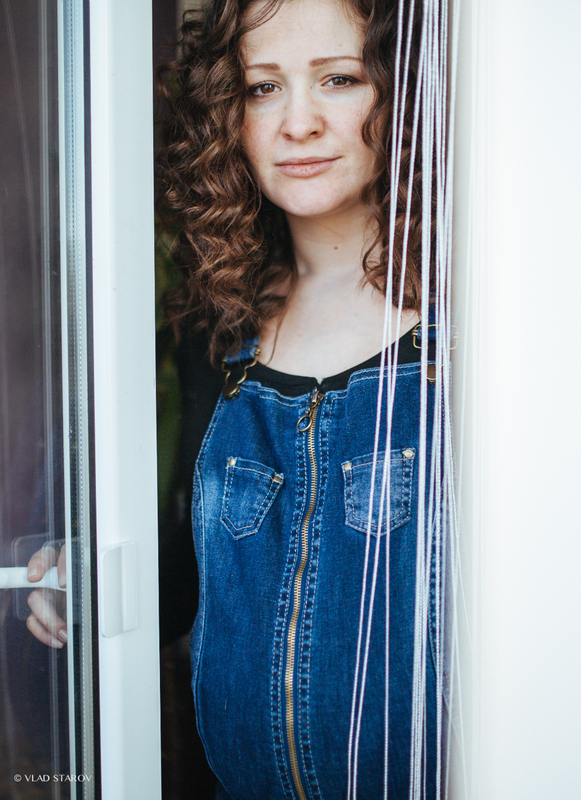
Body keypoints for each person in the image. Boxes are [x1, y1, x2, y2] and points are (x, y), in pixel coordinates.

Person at [28, 0, 451, 798]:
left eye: (340, 79)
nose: (299, 122)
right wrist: (86, 579)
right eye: (263, 88)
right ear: (229, 119)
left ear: (404, 97)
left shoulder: (473, 328)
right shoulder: (216, 333)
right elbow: (205, 584)